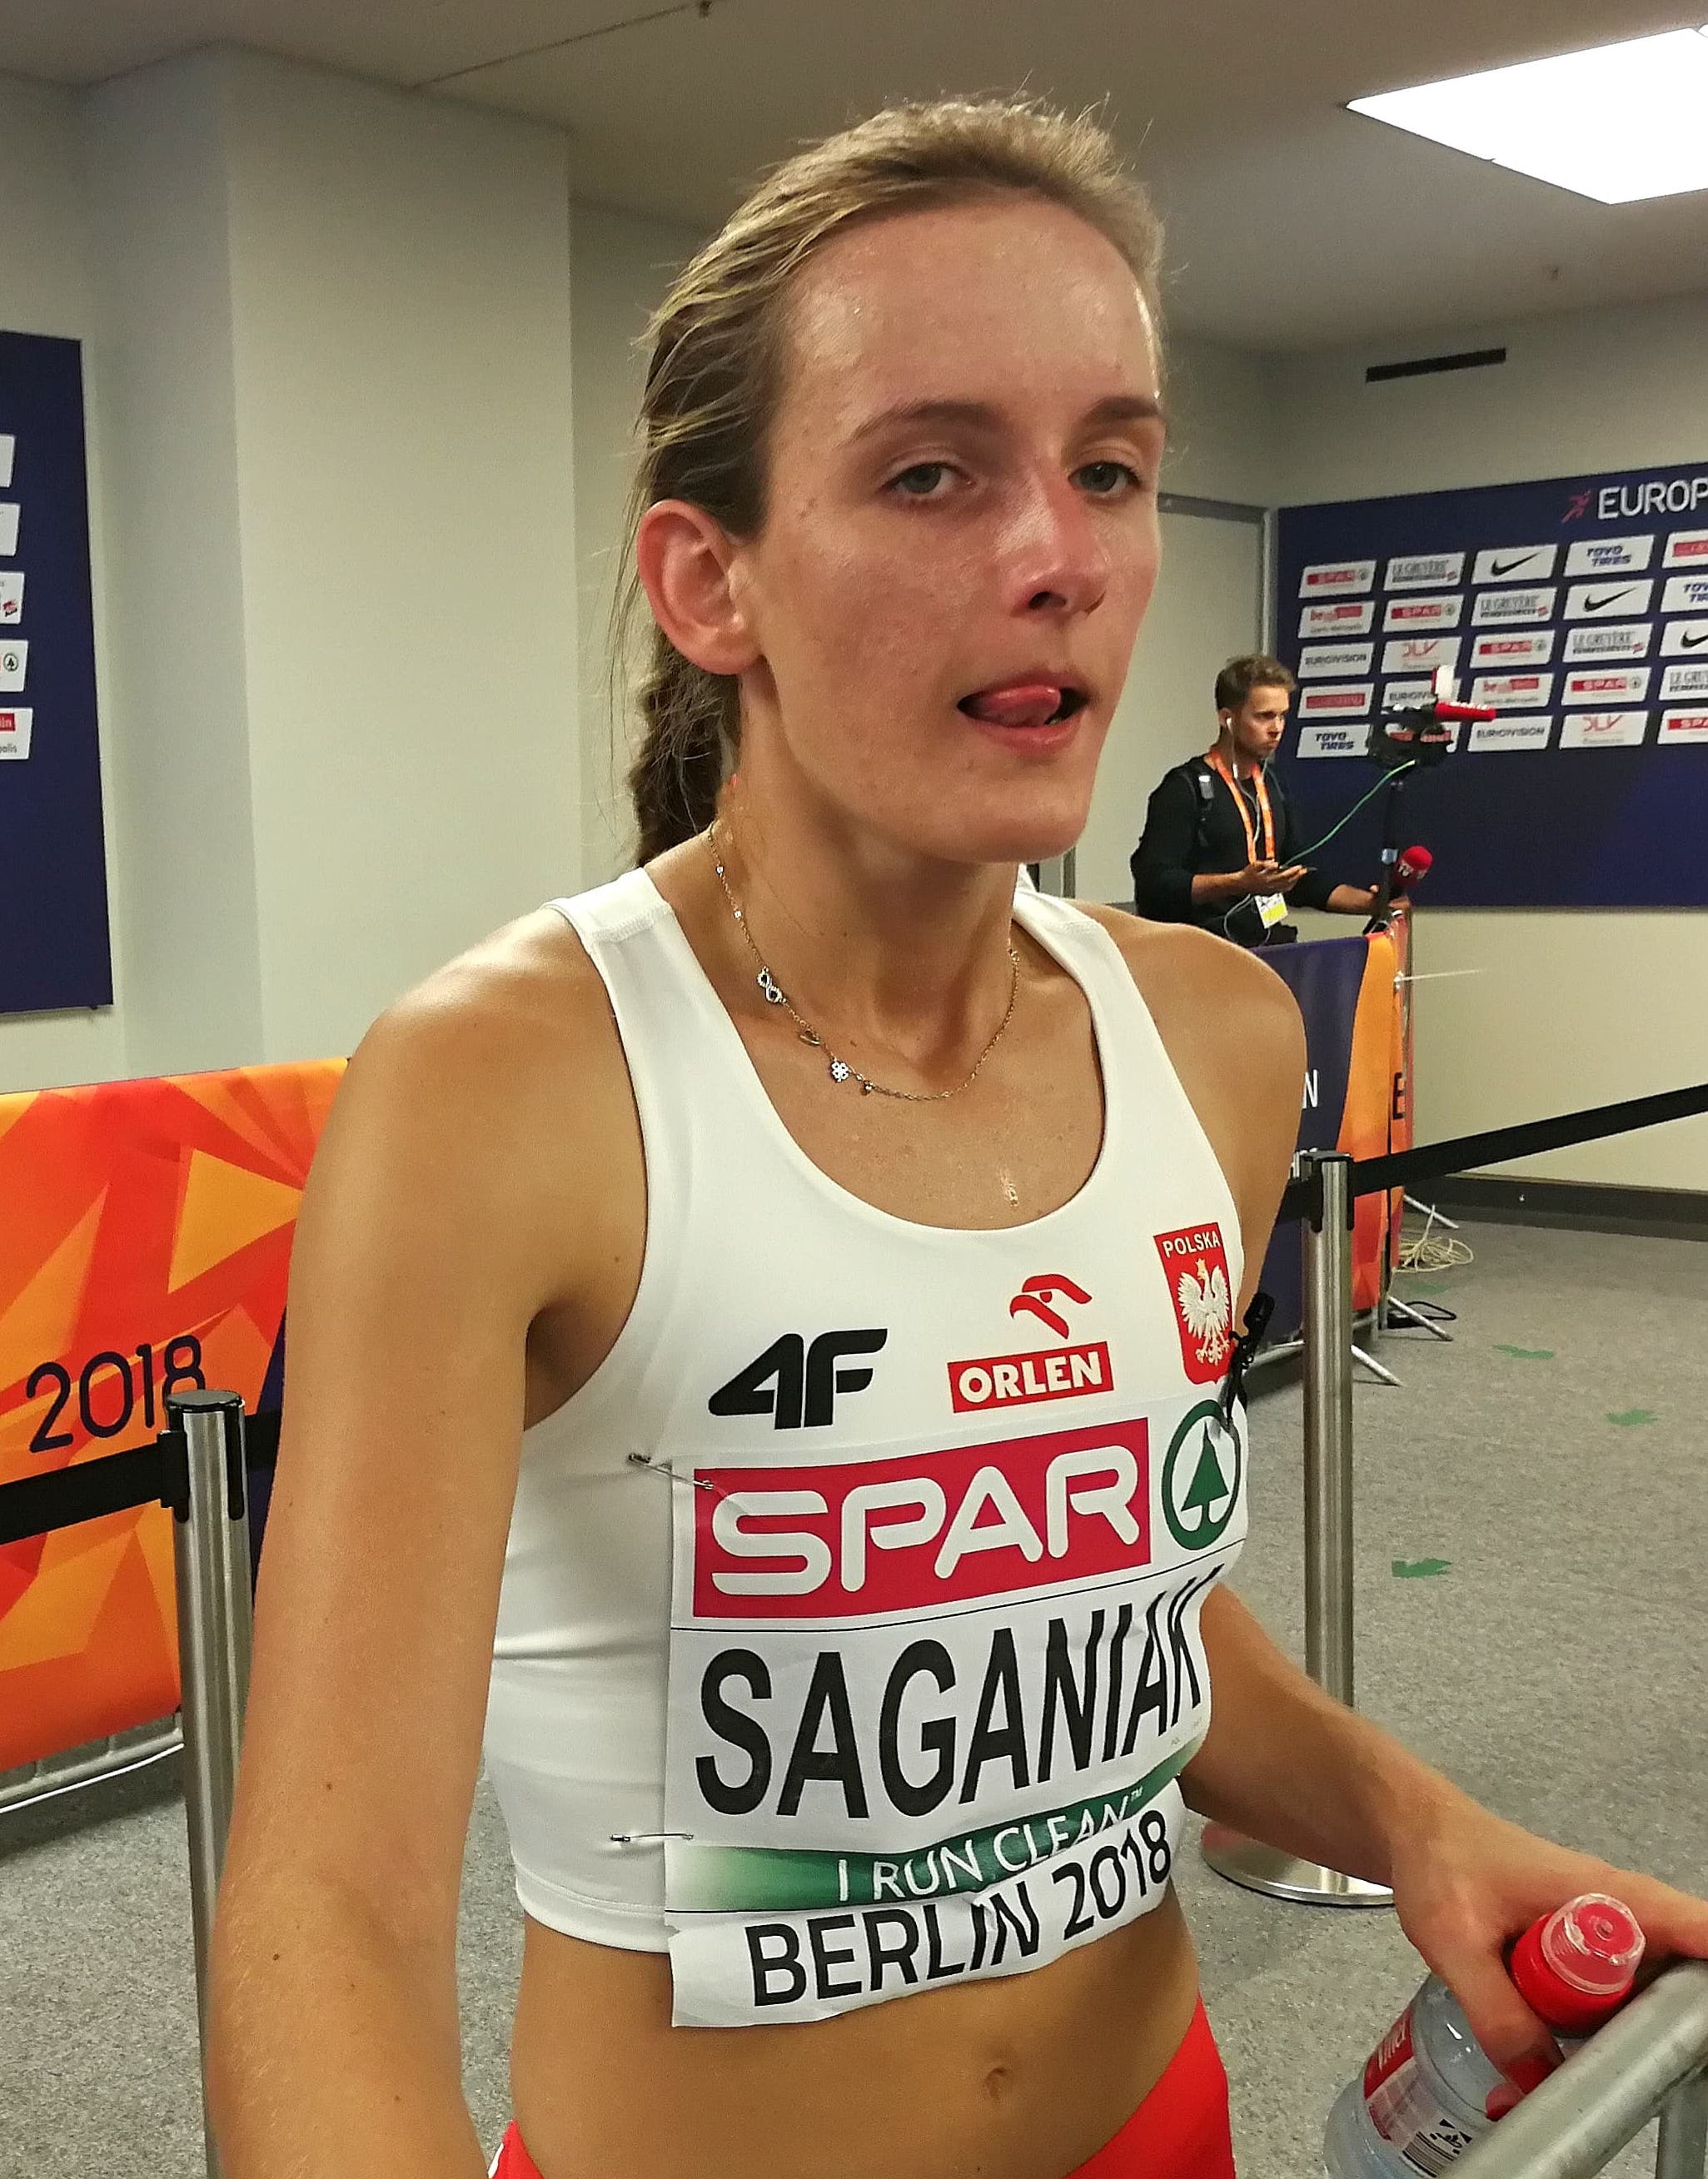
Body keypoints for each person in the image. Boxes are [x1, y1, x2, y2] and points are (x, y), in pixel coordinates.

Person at [205, 97, 1708, 2179]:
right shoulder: (508, 1085)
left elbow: (1119, 1614)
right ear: (711, 579)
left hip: (1156, 2128)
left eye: (1109, 468)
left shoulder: (1211, 1038)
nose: (1058, 556)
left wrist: (1415, 1819)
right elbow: (326, 1913)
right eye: (931, 472)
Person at [1129, 656, 1376, 947]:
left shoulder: (1273, 784)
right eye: (1264, 716)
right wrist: (1237, 883)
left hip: (1269, 947)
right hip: (1202, 952)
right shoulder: (1184, 788)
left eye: (1282, 716)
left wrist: (1370, 903)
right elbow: (1154, 885)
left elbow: (1300, 878)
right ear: (1227, 719)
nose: (1277, 728)